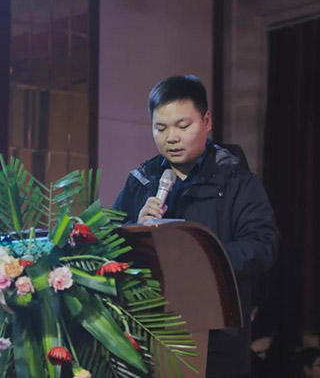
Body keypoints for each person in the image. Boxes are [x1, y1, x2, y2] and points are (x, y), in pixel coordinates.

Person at [113, 75, 280, 377]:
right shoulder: (141, 182)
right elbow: (106, 250)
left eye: (183, 126)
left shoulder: (237, 182)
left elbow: (262, 245)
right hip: (148, 334)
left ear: (206, 121)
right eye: (161, 128)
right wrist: (135, 230)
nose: (171, 138)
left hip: (217, 342)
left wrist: (201, 261)